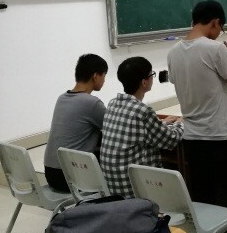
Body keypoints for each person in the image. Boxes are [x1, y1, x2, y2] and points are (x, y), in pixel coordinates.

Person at [166, 0, 227, 233]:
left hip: (192, 142)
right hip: (222, 140)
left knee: (205, 203)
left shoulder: (173, 52)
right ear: (215, 23)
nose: (219, 34)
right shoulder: (215, 49)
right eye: (220, 29)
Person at [100, 57, 184, 198]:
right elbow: (170, 140)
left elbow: (138, 130)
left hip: (113, 189)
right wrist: (180, 123)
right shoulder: (142, 111)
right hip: (136, 191)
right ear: (144, 82)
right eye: (152, 75)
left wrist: (161, 123)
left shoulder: (113, 103)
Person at [43, 54, 108, 192]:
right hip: (71, 176)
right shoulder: (92, 103)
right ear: (95, 76)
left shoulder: (62, 98)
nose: (104, 80)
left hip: (51, 173)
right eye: (104, 75)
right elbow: (114, 128)